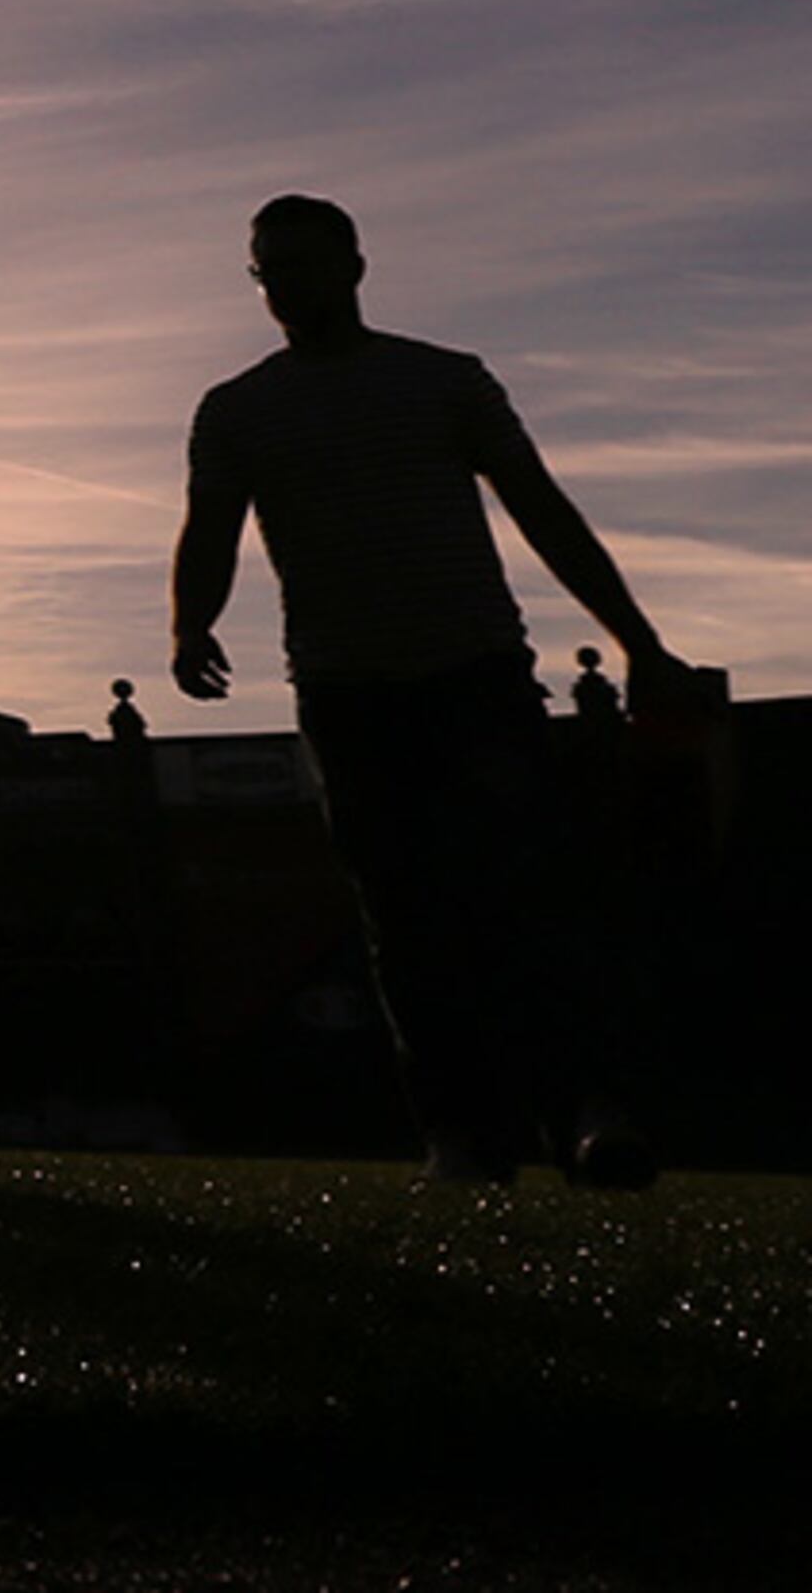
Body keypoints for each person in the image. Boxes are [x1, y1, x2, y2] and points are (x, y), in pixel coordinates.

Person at [172, 193, 683, 1189]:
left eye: (305, 264)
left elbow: (540, 506)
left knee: (527, 898)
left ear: (355, 266)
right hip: (346, 688)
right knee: (404, 919)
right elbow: (210, 527)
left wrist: (638, 640)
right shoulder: (237, 409)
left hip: (475, 672)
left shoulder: (444, 381)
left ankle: (585, 1111)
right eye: (270, 269)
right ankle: (460, 1134)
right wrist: (192, 624)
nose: (289, 285)